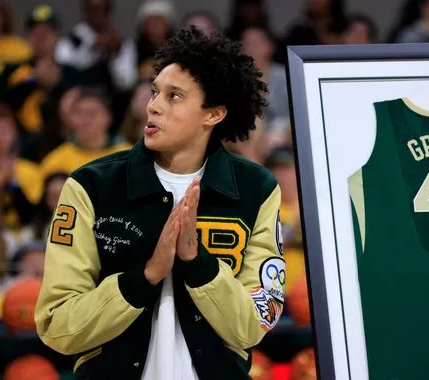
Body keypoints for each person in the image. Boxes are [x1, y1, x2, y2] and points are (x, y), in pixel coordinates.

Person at [34, 26, 286, 380]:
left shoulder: (256, 189)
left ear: (213, 114)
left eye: (175, 96)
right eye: (155, 92)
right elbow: (57, 325)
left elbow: (253, 325)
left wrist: (197, 265)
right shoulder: (90, 186)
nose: (152, 106)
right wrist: (145, 277)